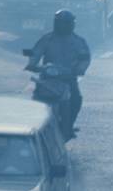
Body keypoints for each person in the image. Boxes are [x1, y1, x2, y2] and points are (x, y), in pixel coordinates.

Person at [27, 9, 92, 137]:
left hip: (68, 78)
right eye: (61, 23)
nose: (64, 26)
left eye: (66, 23)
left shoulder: (78, 42)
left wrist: (79, 69)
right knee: (35, 101)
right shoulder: (47, 39)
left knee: (76, 99)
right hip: (47, 79)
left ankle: (69, 126)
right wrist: (33, 64)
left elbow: (85, 58)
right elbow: (36, 52)